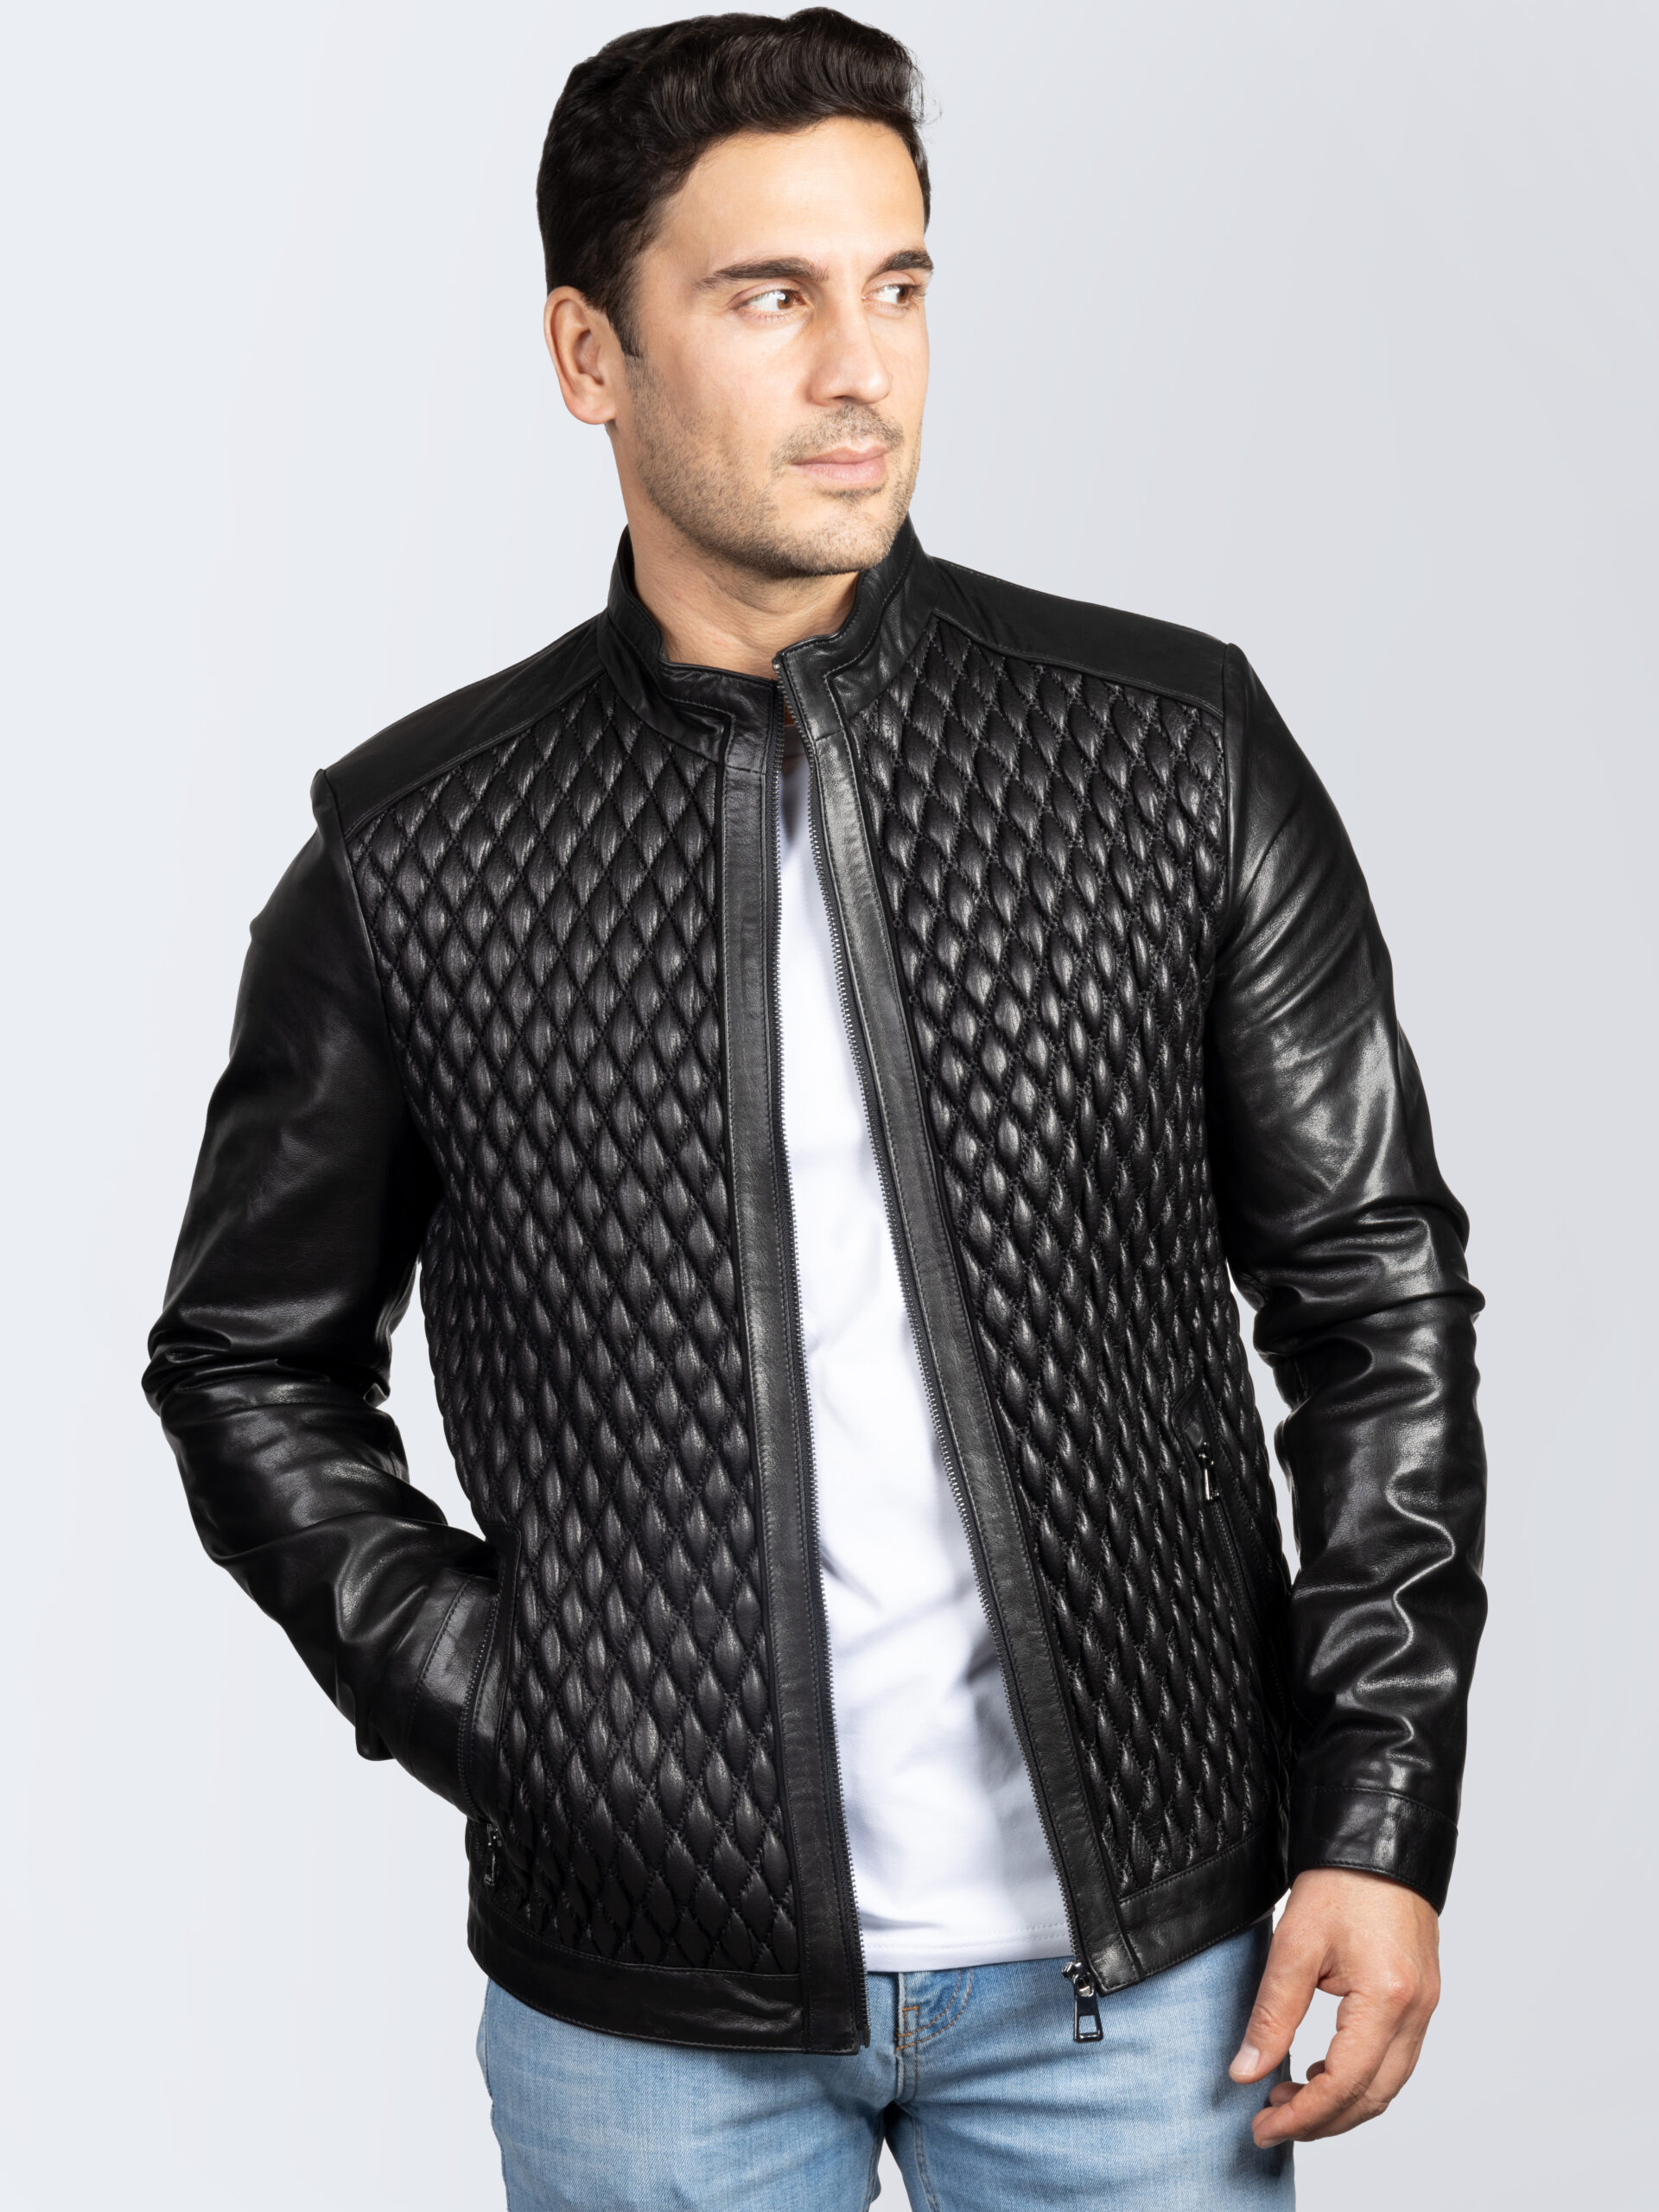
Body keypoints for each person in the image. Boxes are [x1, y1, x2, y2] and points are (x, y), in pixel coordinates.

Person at [143, 12, 1486, 2208]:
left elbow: (1373, 1294)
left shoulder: (1171, 753)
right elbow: (242, 1360)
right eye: (770, 296)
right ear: (590, 354)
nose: (862, 368)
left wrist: (1377, 1811)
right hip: (645, 2006)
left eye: (900, 284)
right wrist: (525, 1714)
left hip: (1145, 1979)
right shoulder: (416, 857)